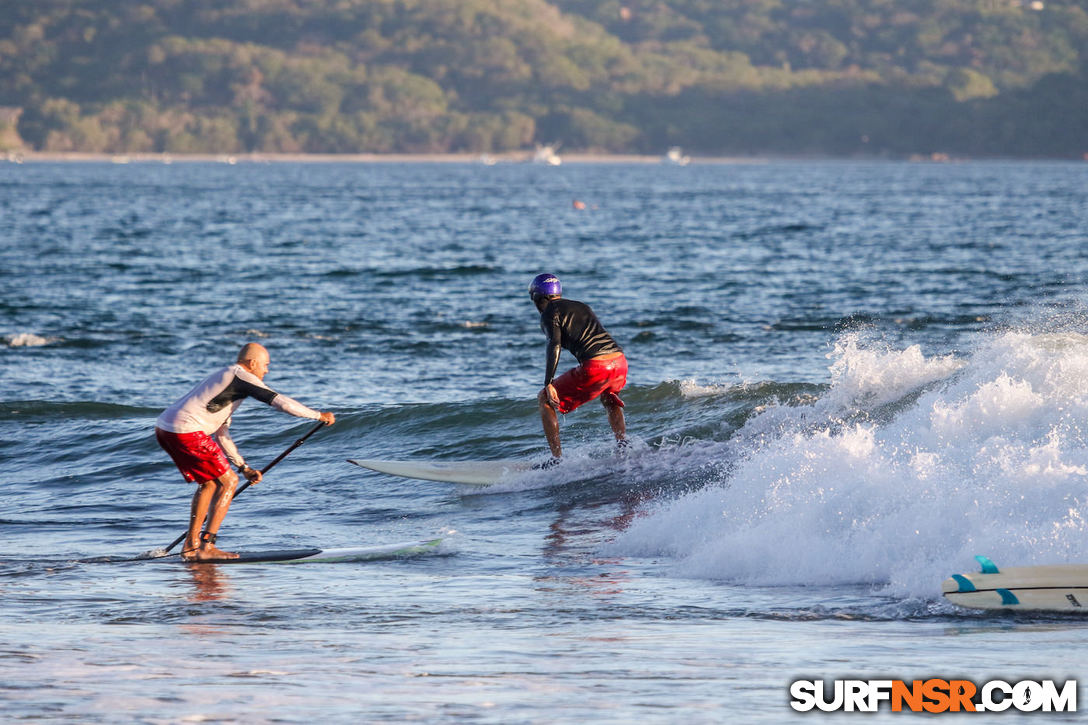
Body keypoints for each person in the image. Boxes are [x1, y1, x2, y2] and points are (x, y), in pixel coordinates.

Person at [155, 343, 335, 561]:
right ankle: (204, 546)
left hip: (166, 429)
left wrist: (243, 467)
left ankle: (192, 545)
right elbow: (281, 402)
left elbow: (221, 433)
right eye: (266, 365)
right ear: (252, 363)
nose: (267, 370)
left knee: (211, 483)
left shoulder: (225, 380)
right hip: (186, 430)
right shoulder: (242, 376)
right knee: (228, 482)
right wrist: (318, 416)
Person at [529, 273, 628, 461]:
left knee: (544, 398)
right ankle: (623, 447)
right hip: (620, 362)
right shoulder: (581, 306)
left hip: (597, 366)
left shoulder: (550, 312)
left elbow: (554, 344)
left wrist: (549, 382)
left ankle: (556, 460)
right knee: (609, 398)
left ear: (537, 297)